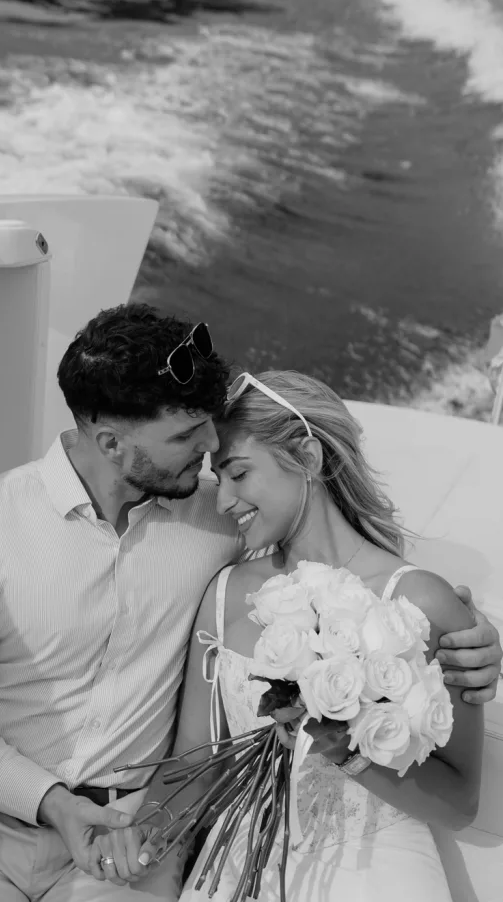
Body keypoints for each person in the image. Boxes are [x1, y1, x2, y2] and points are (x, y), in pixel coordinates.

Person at [0, 306, 500, 902]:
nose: (209, 448)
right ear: (111, 442)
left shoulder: (218, 519)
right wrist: (54, 803)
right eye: (187, 433)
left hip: (134, 832)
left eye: (214, 433)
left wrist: (476, 633)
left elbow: (346, 557)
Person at [97, 370, 488, 901]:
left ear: (306, 457)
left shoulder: (423, 602)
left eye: (238, 473)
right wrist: (144, 832)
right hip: (239, 870)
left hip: (379, 875)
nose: (223, 501)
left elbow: (461, 803)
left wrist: (344, 741)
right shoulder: (227, 593)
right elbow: (193, 763)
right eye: (218, 478)